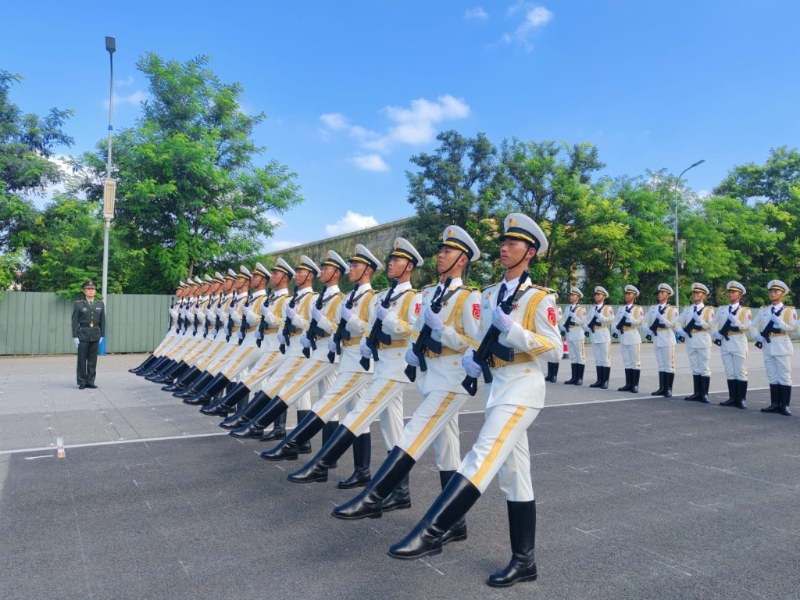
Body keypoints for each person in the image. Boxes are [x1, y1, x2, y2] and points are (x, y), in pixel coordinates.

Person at [388, 213, 561, 589]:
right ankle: (524, 560)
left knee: (480, 456)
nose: (504, 247)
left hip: (524, 387)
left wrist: (514, 331)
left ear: (530, 252)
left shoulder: (538, 298)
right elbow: (477, 339)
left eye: (513, 243)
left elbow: (556, 350)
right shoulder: (487, 295)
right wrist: (471, 357)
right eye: (503, 241)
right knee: (515, 476)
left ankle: (432, 531)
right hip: (498, 387)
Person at [331, 225, 481, 524]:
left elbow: (473, 343)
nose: (440, 255)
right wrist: (415, 349)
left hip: (451, 378)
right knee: (446, 450)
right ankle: (453, 522)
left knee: (411, 436)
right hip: (428, 376)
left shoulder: (469, 296)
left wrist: (443, 332)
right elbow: (416, 332)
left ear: (462, 259)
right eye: (440, 250)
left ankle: (374, 494)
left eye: (447, 251)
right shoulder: (428, 294)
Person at [283, 238, 423, 489]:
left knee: (355, 414)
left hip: (392, 365)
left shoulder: (409, 298)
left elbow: (411, 332)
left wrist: (383, 320)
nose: (391, 263)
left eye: (397, 260)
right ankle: (388, 483)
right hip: (367, 361)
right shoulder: (373, 297)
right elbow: (366, 328)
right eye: (390, 259)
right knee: (388, 427)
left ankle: (317, 460)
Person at [753, 280, 797, 416]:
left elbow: (794, 329)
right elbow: (752, 325)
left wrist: (780, 323)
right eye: (771, 291)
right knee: (772, 376)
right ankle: (774, 404)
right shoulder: (764, 311)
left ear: (782, 294)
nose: (773, 293)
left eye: (776, 291)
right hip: (768, 345)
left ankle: (784, 405)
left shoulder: (789, 311)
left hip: (782, 344)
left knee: (784, 376)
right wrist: (757, 337)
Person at [712, 281, 753, 409]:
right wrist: (716, 334)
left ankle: (741, 399)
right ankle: (732, 397)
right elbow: (712, 323)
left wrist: (737, 323)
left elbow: (748, 327)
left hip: (739, 341)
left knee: (740, 371)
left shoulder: (745, 311)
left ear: (740, 294)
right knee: (729, 371)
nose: (730, 294)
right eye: (729, 292)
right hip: (725, 342)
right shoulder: (723, 310)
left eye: (733, 292)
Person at [675, 283, 715, 403]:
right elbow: (677, 322)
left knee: (704, 367)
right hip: (691, 340)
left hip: (703, 339)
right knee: (694, 367)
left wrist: (701, 322)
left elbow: (712, 326)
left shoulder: (708, 310)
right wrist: (680, 331)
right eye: (694, 293)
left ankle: (704, 394)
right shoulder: (688, 309)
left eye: (698, 293)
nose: (695, 295)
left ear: (703, 295)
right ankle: (697, 393)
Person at [643, 283, 679, 397]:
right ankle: (662, 387)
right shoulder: (654, 308)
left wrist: (663, 320)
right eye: (659, 293)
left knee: (669, 365)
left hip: (667, 337)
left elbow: (675, 324)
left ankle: (668, 388)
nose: (659, 295)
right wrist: (647, 329)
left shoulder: (672, 309)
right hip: (657, 337)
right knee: (661, 364)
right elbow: (643, 320)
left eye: (662, 293)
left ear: (668, 295)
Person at [71, 280, 106, 390]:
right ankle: (81, 381)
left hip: (95, 334)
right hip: (83, 333)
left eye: (93, 289)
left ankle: (90, 381)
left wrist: (102, 335)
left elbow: (103, 321)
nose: (91, 291)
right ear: (84, 291)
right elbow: (74, 321)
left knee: (92, 359)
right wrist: (75, 336)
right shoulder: (79, 304)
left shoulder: (100, 304)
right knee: (82, 359)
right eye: (88, 289)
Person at [612, 285, 645, 393]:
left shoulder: (637, 309)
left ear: (634, 295)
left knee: (635, 362)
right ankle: (628, 384)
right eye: (626, 294)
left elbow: (641, 321)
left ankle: (635, 385)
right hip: (624, 336)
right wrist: (615, 328)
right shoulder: (621, 309)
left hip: (633, 335)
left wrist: (631, 319)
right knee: (627, 362)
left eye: (629, 294)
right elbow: (615, 320)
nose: (627, 296)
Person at [584, 286, 614, 389]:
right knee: (598, 359)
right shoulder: (592, 308)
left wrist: (601, 317)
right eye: (595, 294)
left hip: (603, 333)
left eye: (599, 294)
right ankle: (599, 380)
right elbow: (586, 319)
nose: (596, 296)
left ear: (604, 296)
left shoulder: (607, 308)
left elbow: (611, 319)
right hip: (595, 334)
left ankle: (605, 381)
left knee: (605, 359)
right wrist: (586, 327)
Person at [561, 287, 587, 385]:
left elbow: (583, 322)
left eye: (573, 295)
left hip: (577, 332)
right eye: (571, 295)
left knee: (580, 356)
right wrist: (562, 326)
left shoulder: (581, 309)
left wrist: (574, 317)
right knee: (573, 356)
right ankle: (574, 377)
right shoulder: (568, 308)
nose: (571, 297)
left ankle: (580, 378)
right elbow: (562, 319)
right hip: (569, 333)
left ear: (578, 297)